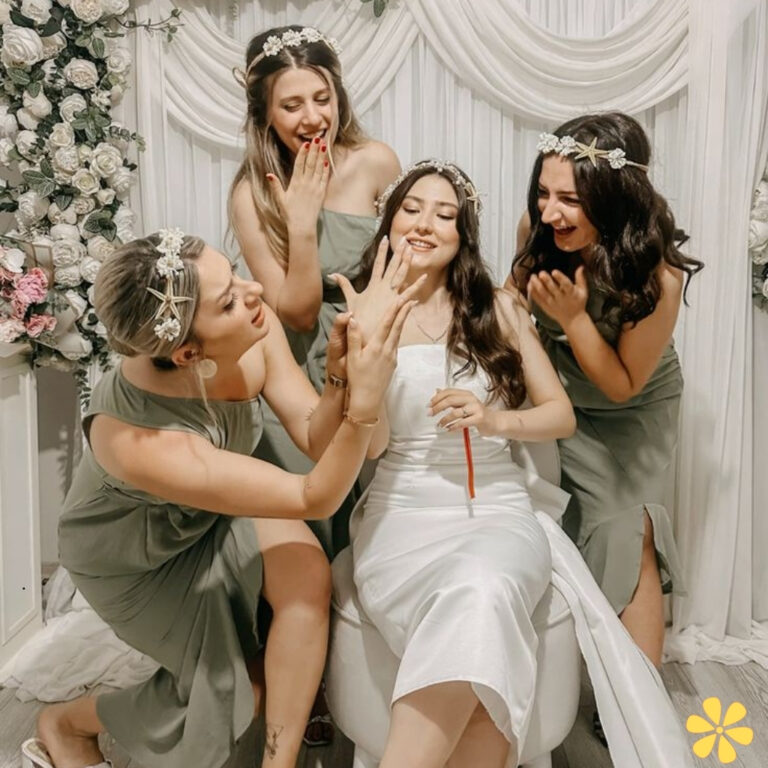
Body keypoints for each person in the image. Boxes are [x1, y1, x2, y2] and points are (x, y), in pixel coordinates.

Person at [334, 160, 694, 768]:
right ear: (389, 224)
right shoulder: (362, 311)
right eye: (411, 209)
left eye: (445, 215)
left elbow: (560, 415)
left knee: (484, 587)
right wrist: (371, 357)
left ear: (462, 236)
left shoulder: (496, 309)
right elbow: (369, 449)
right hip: (401, 514)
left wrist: (494, 419)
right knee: (476, 619)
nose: (426, 224)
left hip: (495, 509)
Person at [22, 229, 417, 768]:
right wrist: (367, 400)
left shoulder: (253, 324)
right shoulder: (139, 443)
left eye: (233, 275)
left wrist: (341, 379)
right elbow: (315, 496)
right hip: (132, 558)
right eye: (229, 299)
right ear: (188, 353)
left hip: (204, 515)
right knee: (237, 691)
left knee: (307, 574)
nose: (254, 291)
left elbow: (314, 435)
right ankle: (68, 723)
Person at [506, 113, 702, 744]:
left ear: (613, 199)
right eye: (544, 192)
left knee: (626, 524)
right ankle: (568, 670)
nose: (551, 211)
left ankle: (638, 697)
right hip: (561, 391)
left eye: (570, 198)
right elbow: (513, 308)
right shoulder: (538, 235)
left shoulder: (658, 274)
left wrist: (573, 317)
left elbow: (623, 383)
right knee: (559, 521)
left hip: (630, 409)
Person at [229, 24, 400, 560]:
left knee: (376, 516)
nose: (312, 118)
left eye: (322, 98)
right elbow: (299, 316)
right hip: (298, 369)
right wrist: (301, 227)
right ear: (265, 115)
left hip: (369, 349)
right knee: (314, 515)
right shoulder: (250, 194)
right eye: (292, 105)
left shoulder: (377, 161)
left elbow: (404, 267)